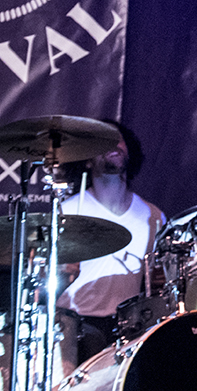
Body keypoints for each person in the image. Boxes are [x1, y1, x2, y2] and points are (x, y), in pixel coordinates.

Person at [56, 120, 165, 367]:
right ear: (86, 159)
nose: (113, 145)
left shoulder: (153, 216)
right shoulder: (68, 212)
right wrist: (62, 276)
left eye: (117, 139)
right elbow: (42, 286)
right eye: (101, 141)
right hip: (74, 327)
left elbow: (160, 287)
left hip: (129, 332)